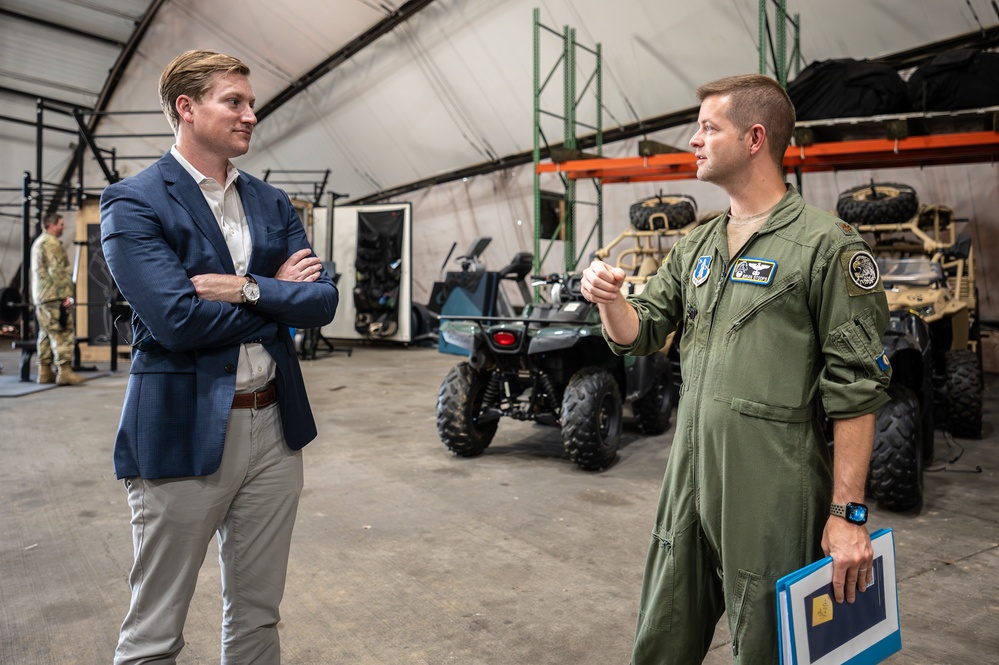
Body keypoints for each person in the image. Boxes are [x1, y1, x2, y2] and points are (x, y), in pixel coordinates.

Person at [580, 74, 892, 664]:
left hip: (772, 488)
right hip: (688, 476)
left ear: (754, 138)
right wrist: (610, 299)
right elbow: (640, 332)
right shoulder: (697, 244)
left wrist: (848, 515)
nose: (692, 142)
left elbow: (857, 389)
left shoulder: (827, 247)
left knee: (769, 648)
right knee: (660, 637)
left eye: (706, 128)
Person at [100, 49, 338, 664]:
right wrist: (277, 303)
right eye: (234, 102)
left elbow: (322, 303)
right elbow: (177, 320)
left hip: (274, 428)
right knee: (155, 633)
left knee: (258, 616)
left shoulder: (270, 203)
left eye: (250, 103)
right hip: (183, 430)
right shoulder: (134, 202)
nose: (250, 115)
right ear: (186, 107)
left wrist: (250, 288)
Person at [30, 212, 84, 385]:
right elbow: (57, 271)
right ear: (51, 225)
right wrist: (67, 296)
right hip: (55, 295)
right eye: (61, 224)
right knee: (62, 331)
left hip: (42, 295)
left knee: (46, 332)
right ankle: (65, 371)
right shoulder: (52, 244)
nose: (63, 227)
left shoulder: (39, 242)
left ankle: (44, 371)